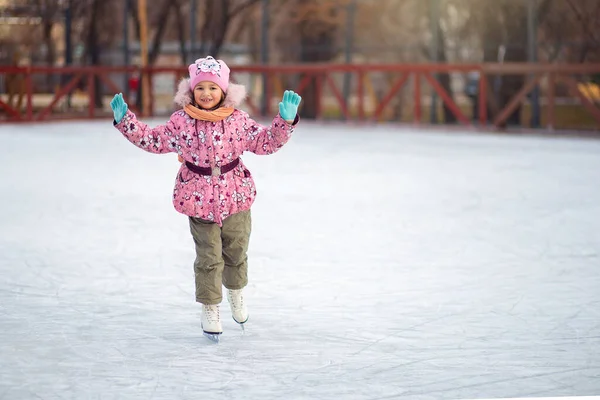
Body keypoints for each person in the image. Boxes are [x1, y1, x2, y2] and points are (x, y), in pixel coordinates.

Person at [110, 56, 301, 340]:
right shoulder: (182, 122)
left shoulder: (237, 121)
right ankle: (211, 306)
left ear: (224, 91)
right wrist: (125, 121)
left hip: (236, 196)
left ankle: (236, 292)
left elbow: (265, 143)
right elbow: (153, 140)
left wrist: (284, 122)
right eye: (201, 88)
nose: (207, 94)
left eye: (213, 88)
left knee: (235, 253)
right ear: (191, 91)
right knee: (208, 258)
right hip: (198, 200)